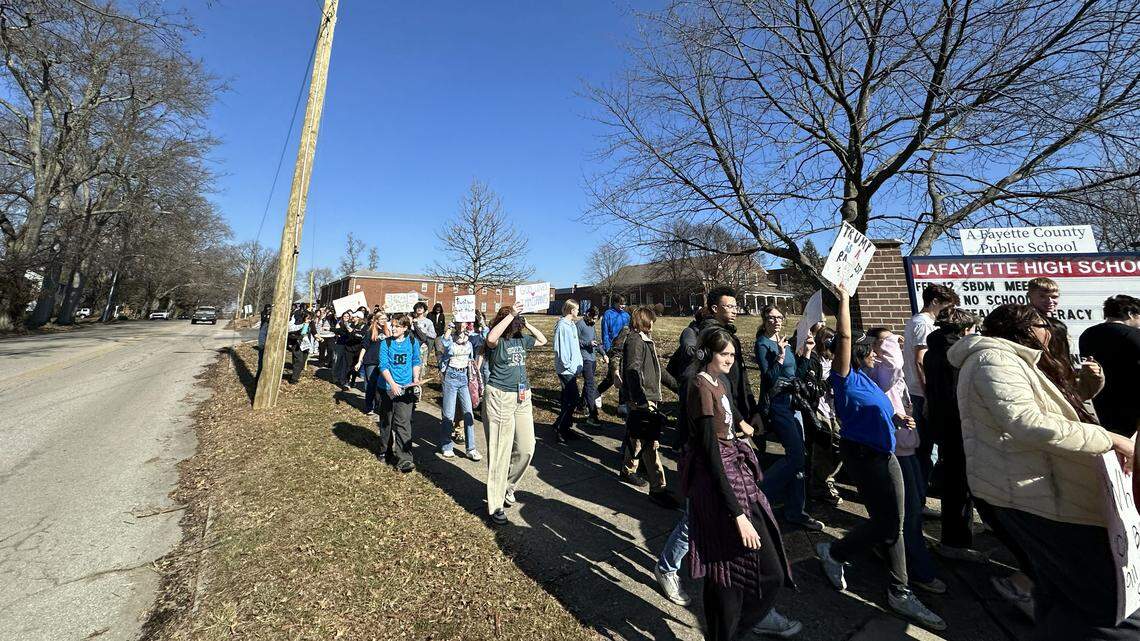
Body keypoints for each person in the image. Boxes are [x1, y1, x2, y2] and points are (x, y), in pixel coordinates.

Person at [948, 303, 1139, 640]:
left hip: (1036, 491)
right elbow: (1027, 422)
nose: (1048, 330)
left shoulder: (1008, 360)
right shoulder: (994, 359)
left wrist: (1084, 392)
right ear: (1019, 327)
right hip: (1034, 495)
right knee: (1106, 605)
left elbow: (1043, 416)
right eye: (1040, 324)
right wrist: (1111, 439)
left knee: (1060, 595)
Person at [816, 285, 946, 631]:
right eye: (871, 350)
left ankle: (898, 588)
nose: (876, 354)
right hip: (865, 457)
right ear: (858, 353)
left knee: (897, 523)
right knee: (889, 523)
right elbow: (843, 336)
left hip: (885, 453)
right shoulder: (843, 377)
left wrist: (895, 418)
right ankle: (838, 554)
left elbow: (875, 407)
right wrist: (844, 300)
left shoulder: (866, 379)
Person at [683, 327, 799, 641]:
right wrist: (738, 515)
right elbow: (710, 455)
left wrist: (744, 424)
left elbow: (729, 407)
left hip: (737, 474)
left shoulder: (718, 381)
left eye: (734, 355)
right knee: (728, 574)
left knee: (755, 572)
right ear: (706, 353)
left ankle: (732, 630)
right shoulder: (700, 388)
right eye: (725, 354)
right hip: (720, 486)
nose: (731, 361)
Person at [868, 327, 945, 594]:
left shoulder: (892, 373)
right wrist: (890, 341)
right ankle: (918, 569)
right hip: (895, 448)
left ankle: (884, 546)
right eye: (888, 341)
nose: (896, 344)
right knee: (909, 510)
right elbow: (894, 362)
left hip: (906, 445)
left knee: (909, 504)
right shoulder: (881, 371)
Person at [920, 309, 989, 564]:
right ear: (965, 330)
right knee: (961, 485)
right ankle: (956, 542)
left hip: (941, 423)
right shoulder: (960, 356)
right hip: (960, 425)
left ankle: (959, 534)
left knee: (954, 482)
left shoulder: (932, 352)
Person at [755, 304, 822, 531]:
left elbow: (797, 376)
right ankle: (759, 496)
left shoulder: (784, 341)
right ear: (764, 320)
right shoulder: (763, 344)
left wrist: (808, 353)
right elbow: (770, 378)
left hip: (795, 404)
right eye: (771, 318)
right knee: (795, 456)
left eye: (779, 317)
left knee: (799, 458)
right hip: (779, 405)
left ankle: (796, 509)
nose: (776, 321)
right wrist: (781, 357)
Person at [483, 302, 547, 525]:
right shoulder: (498, 341)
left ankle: (507, 486)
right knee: (501, 450)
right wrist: (510, 315)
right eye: (516, 320)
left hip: (523, 397)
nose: (518, 322)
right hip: (500, 396)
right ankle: (496, 503)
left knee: (527, 447)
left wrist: (527, 323)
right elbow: (490, 338)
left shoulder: (523, 339)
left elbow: (543, 340)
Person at [903, 283, 959, 503]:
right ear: (934, 301)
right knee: (924, 449)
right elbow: (920, 360)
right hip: (921, 393)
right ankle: (919, 497)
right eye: (945, 306)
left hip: (919, 392)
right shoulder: (923, 324)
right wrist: (928, 394)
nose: (946, 311)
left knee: (926, 449)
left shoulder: (918, 322)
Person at [620, 306, 680, 508]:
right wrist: (641, 400)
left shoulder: (645, 341)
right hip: (643, 399)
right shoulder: (636, 340)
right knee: (650, 443)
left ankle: (628, 470)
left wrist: (679, 386)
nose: (654, 323)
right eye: (652, 320)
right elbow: (632, 370)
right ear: (645, 320)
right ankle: (658, 488)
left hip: (646, 397)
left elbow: (658, 370)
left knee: (637, 438)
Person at [1027, 277, 1104, 403]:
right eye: (1042, 296)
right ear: (1029, 296)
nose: (1050, 301)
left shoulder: (1055, 325)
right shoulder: (1025, 323)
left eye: (1054, 297)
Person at [1080, 294, 1140, 437]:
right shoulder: (1135, 335)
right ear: (1130, 314)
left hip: (1102, 400)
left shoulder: (1087, 334)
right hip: (1134, 400)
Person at [377, 314, 422, 473]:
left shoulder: (412, 342)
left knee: (403, 422)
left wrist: (415, 377)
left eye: (397, 326)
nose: (393, 328)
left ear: (405, 328)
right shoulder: (386, 343)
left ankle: (405, 459)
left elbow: (416, 361)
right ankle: (385, 451)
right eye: (392, 325)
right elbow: (383, 366)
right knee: (386, 422)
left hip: (405, 389)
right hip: (387, 388)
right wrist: (392, 384)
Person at [805, 326, 843, 506]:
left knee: (840, 444)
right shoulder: (814, 359)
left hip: (835, 408)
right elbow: (813, 388)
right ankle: (819, 485)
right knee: (824, 448)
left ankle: (828, 478)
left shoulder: (837, 359)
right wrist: (830, 381)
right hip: (820, 409)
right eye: (829, 340)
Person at [438, 321, 481, 461]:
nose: (463, 326)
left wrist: (477, 324)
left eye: (465, 324)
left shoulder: (470, 339)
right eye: (460, 324)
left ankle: (471, 448)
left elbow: (483, 336)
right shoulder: (451, 340)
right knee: (449, 414)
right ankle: (447, 446)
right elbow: (444, 342)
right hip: (451, 377)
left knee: (469, 413)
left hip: (464, 378)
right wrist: (450, 327)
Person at [552, 300, 584, 443]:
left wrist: (578, 364)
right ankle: (560, 428)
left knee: (569, 399)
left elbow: (575, 347)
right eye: (576, 309)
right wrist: (567, 364)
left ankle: (563, 426)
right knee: (572, 399)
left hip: (572, 368)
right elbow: (560, 347)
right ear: (571, 310)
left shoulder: (572, 325)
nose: (578, 312)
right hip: (565, 369)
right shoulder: (562, 326)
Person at [597, 295, 631, 414]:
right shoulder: (608, 314)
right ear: (615, 303)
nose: (622, 306)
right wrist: (607, 349)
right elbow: (605, 333)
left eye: (624, 304)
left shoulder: (626, 315)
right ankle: (596, 393)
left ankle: (622, 403)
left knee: (622, 375)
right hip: (613, 348)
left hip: (624, 348)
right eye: (620, 304)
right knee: (613, 376)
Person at [355, 312, 386, 415]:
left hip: (383, 361)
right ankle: (369, 406)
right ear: (376, 319)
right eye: (381, 319)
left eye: (385, 319)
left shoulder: (387, 331)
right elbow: (364, 347)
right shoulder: (370, 331)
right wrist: (359, 361)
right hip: (371, 361)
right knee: (371, 384)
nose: (384, 321)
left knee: (381, 385)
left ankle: (379, 405)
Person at [576, 307, 602, 427]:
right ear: (587, 314)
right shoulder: (580, 324)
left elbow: (595, 341)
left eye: (596, 319)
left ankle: (581, 406)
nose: (594, 321)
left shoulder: (591, 325)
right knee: (591, 385)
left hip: (593, 358)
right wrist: (588, 343)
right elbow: (575, 342)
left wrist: (604, 354)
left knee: (588, 384)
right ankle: (593, 415)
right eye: (593, 318)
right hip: (584, 358)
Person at [412, 301, 437, 369]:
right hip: (412, 346)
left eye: (421, 307)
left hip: (423, 347)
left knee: (422, 366)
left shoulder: (428, 321)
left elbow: (434, 335)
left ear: (424, 310)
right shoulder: (411, 321)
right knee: (413, 365)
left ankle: (420, 379)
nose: (419, 309)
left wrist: (424, 332)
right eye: (417, 307)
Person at [256, 304, 272, 377]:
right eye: (267, 309)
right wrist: (267, 315)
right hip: (263, 333)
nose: (269, 310)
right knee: (261, 359)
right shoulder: (263, 313)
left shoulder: (273, 315)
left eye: (270, 309)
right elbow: (264, 319)